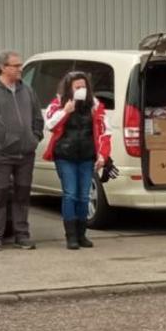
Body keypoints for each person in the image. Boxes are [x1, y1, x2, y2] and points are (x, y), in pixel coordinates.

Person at [0, 51, 44, 252]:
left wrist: (35, 138)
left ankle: (21, 234)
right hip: (1, 155)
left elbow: (37, 118)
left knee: (22, 195)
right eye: (16, 65)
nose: (20, 68)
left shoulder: (27, 91)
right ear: (3, 68)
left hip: (26, 154)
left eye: (20, 65)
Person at [43, 72, 112, 250]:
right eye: (77, 87)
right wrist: (65, 111)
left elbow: (105, 132)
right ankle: (71, 236)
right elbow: (50, 124)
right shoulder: (59, 103)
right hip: (65, 155)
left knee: (84, 196)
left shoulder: (95, 106)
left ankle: (82, 234)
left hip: (87, 156)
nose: (81, 90)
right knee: (70, 193)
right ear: (69, 88)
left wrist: (103, 155)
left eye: (83, 87)